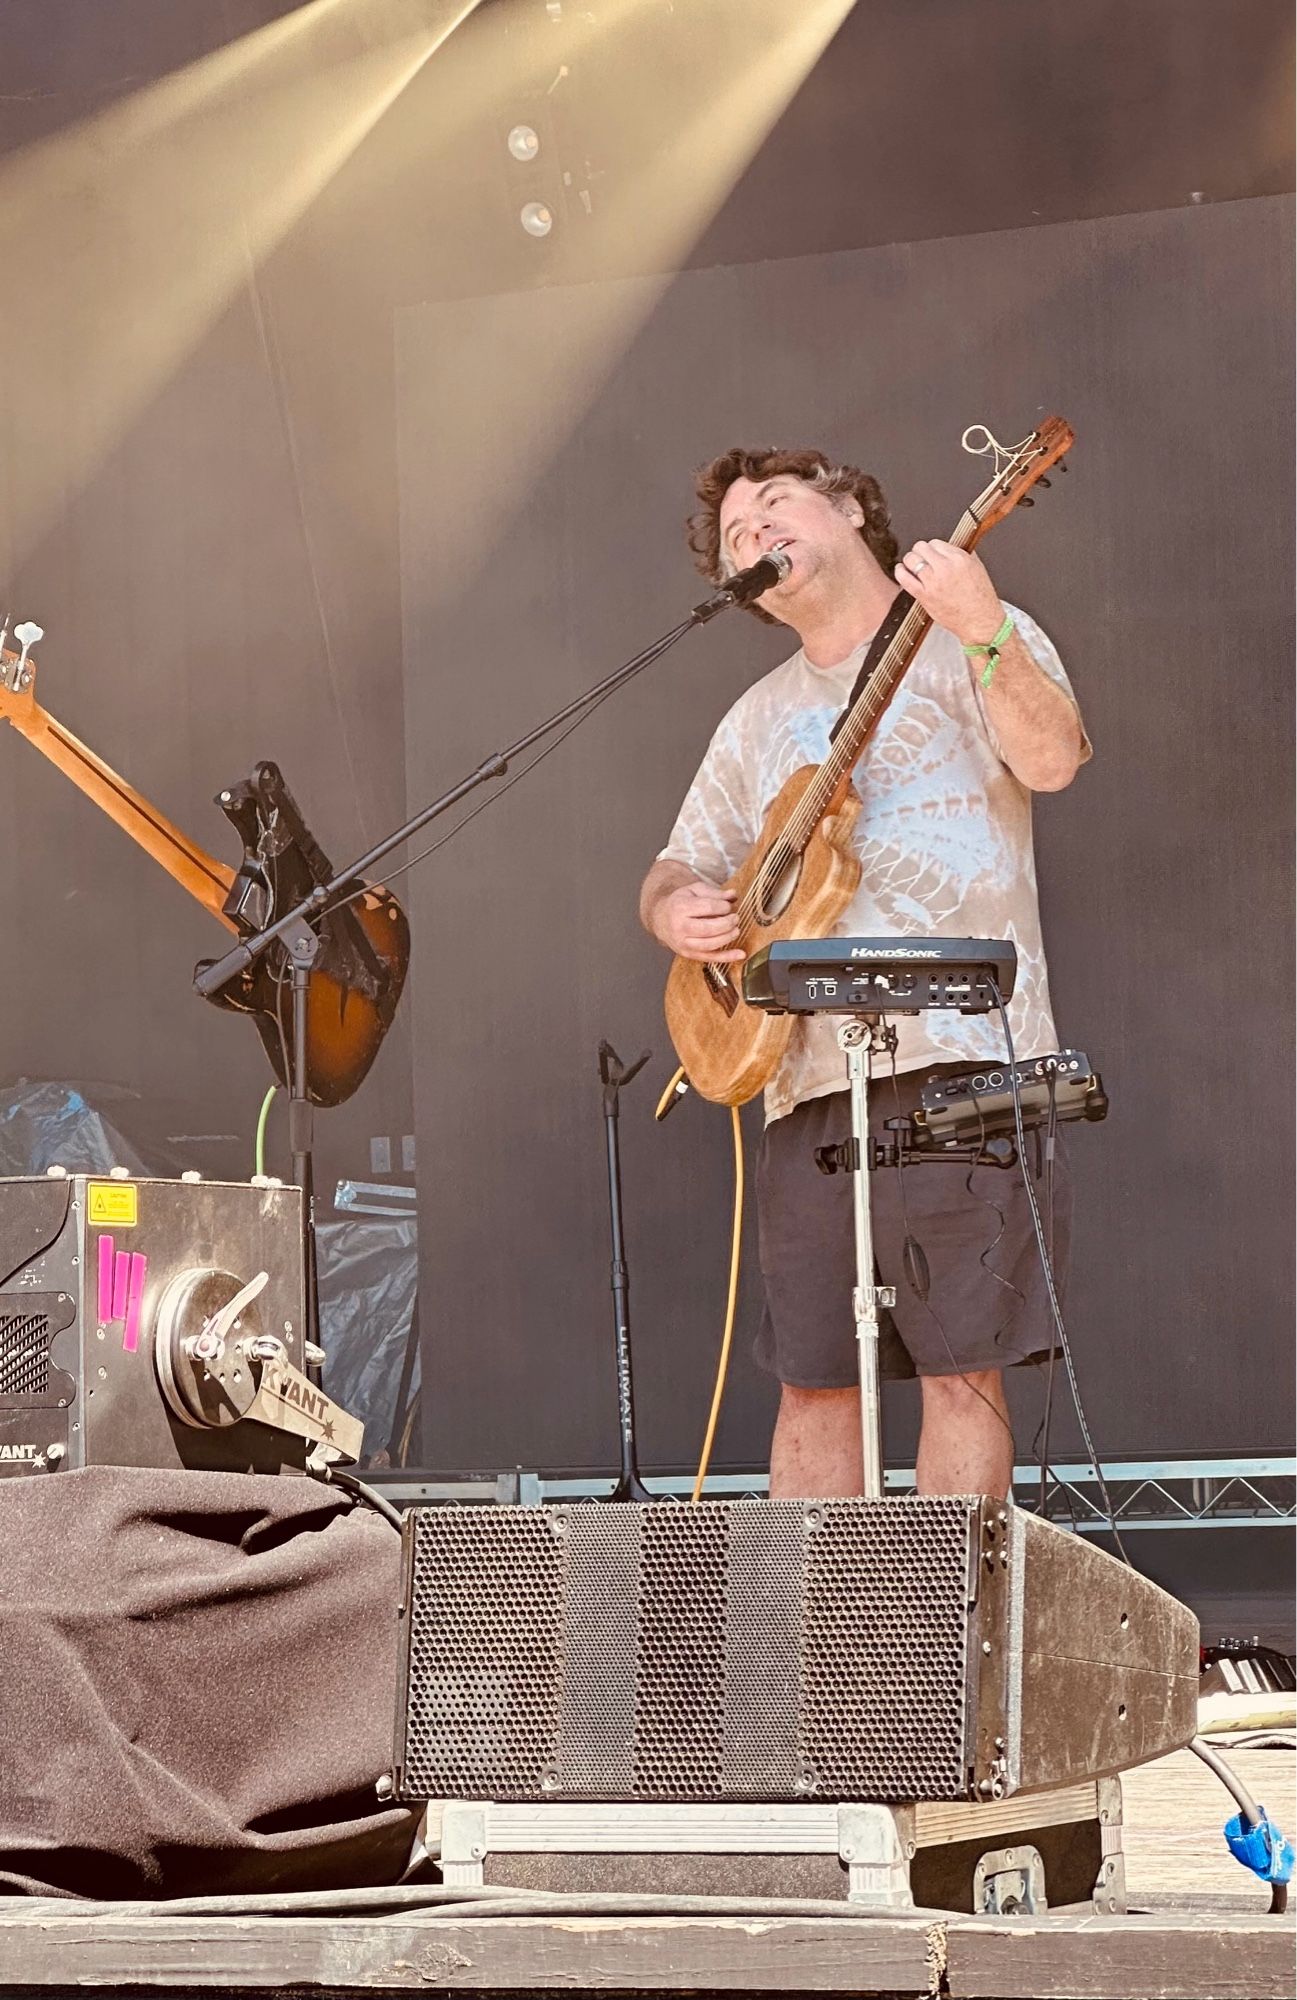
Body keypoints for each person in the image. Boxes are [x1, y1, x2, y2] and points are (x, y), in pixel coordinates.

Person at [639, 446, 1090, 1501]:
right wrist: (675, 909)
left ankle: (941, 1654)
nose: (756, 539)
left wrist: (981, 625)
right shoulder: (754, 717)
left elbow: (1055, 758)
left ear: (848, 507)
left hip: (969, 1059)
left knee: (959, 1373)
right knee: (814, 1383)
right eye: (738, 539)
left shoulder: (982, 629)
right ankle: (823, 1662)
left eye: (775, 509)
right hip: (806, 1080)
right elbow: (676, 861)